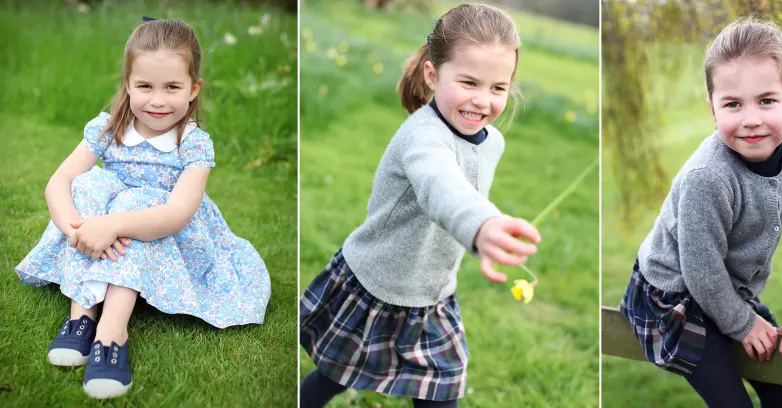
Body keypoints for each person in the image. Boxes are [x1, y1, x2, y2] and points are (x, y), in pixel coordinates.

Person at [15, 18, 271, 399]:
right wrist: (78, 232)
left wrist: (112, 225)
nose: (157, 100)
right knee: (88, 183)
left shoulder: (194, 144)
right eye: (145, 86)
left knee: (143, 200)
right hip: (103, 222)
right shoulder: (107, 128)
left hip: (166, 228)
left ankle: (111, 332)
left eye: (172, 87)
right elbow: (59, 182)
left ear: (193, 88)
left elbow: (176, 214)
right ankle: (81, 317)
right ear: (128, 85)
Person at [299, 3, 541, 408]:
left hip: (432, 294)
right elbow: (441, 186)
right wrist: (481, 226)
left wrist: (485, 223)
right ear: (432, 74)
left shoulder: (492, 141)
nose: (483, 101)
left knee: (441, 392)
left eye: (498, 88)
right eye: (468, 83)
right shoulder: (423, 138)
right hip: (375, 285)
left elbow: (466, 190)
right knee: (332, 376)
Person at [618, 17, 782, 408]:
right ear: (712, 109)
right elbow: (700, 269)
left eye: (767, 100)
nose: (751, 119)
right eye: (733, 104)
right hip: (673, 297)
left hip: (727, 290)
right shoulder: (709, 177)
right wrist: (743, 323)